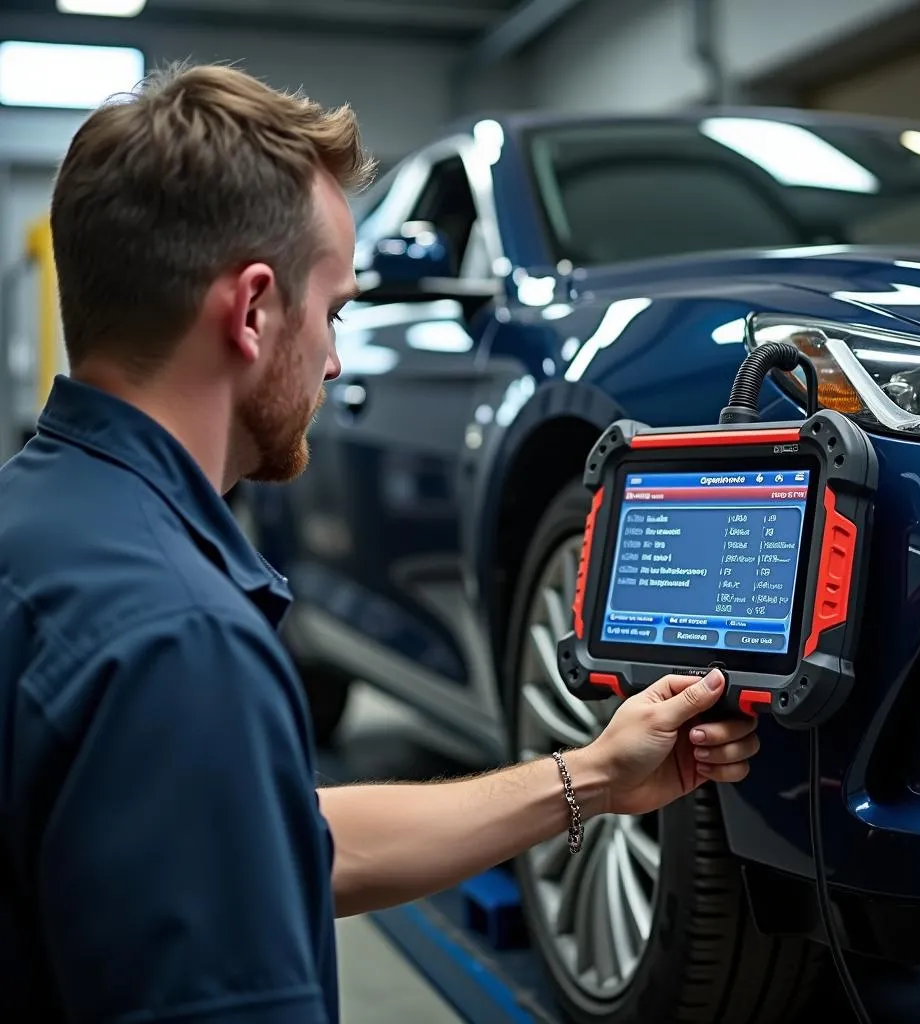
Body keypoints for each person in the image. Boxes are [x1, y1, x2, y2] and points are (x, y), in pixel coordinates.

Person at [0, 63, 761, 1023]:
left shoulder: (38, 524)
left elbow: (282, 842)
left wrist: (596, 776)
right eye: (336, 311)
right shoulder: (179, 644)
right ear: (251, 311)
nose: (335, 359)